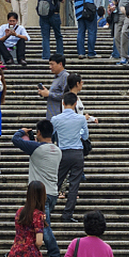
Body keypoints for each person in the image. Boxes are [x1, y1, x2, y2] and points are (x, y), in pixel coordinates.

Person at [52, 92, 88, 225]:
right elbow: (85, 136)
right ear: (74, 104)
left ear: (63, 103)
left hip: (62, 153)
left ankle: (48, 208)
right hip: (77, 153)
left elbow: (52, 134)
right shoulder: (81, 119)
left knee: (57, 181)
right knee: (74, 185)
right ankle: (67, 213)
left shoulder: (56, 119)